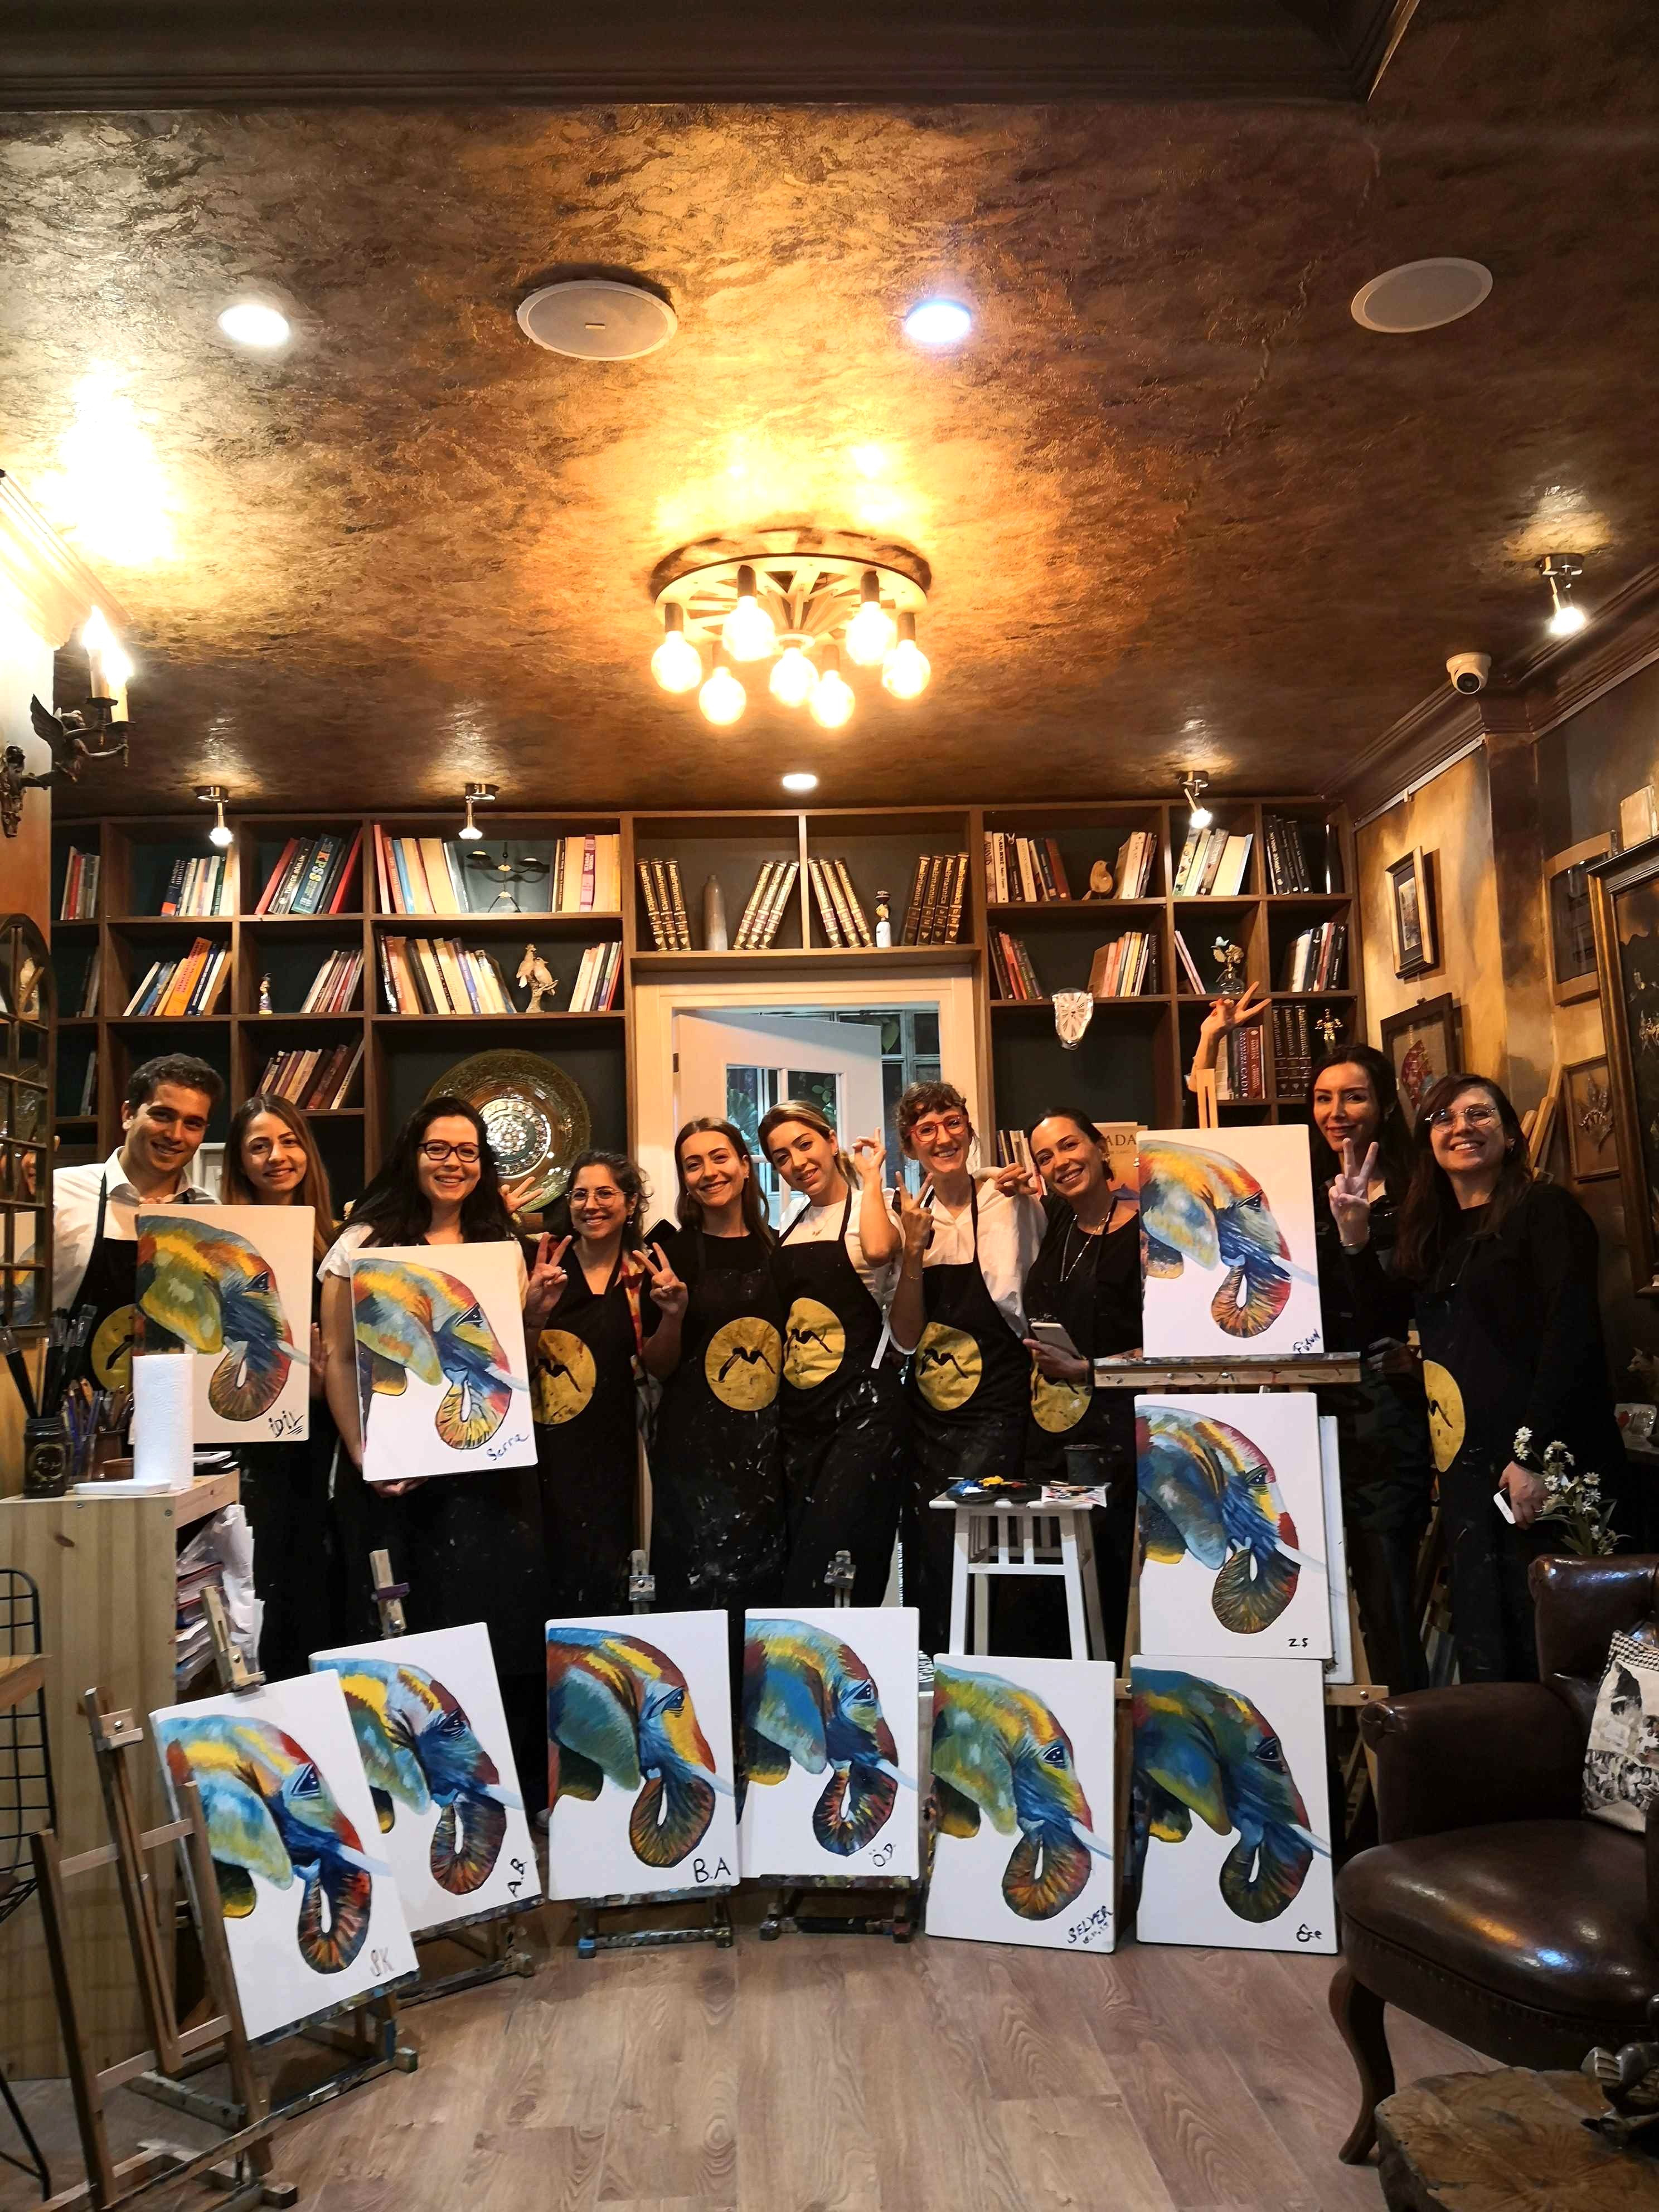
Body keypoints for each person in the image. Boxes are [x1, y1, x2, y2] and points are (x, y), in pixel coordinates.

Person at [1332, 1071, 1626, 1684]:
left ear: (1511, 1134)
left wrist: (1533, 1456)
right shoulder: (1436, 1231)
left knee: (1559, 1644)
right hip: (1469, 1474)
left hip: (1544, 1463)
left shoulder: (1547, 1212)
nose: (1461, 1128)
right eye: (1443, 1118)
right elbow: (1383, 1322)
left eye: (1479, 1114)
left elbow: (1570, 1337)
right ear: (1428, 1142)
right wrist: (1355, 1238)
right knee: (1492, 1641)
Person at [1189, 1008, 1436, 1692]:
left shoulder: (1419, 1190)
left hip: (1385, 1414)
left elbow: (1420, 1300)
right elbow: (1201, 1156)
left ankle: (1410, 1734)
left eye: (1354, 1096)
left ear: (1384, 1104)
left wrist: (1418, 1352)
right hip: (1303, 1407)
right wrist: (1209, 1043)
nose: (1337, 1112)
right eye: (1324, 1098)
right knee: (1301, 1594)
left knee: (1386, 1599)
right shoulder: (1295, 1185)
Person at [319, 1096, 547, 1791]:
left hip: (487, 1479)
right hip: (393, 1480)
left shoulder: (500, 1245)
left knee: (489, 1622)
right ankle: (406, 1793)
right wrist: (365, 1454)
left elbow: (503, 1366)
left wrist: (534, 1316)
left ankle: (493, 1790)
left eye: (468, 1151)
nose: (454, 1163)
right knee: (402, 1629)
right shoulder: (363, 1240)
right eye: (438, 1148)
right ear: (412, 1154)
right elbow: (338, 1357)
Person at [888, 1080, 1046, 1653]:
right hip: (930, 1413)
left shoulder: (1009, 1197)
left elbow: (1038, 1286)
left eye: (952, 1122)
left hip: (1001, 1400)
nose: (943, 1137)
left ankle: (999, 1666)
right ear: (910, 1145)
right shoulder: (904, 1219)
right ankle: (938, 1668)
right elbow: (905, 1338)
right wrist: (912, 1248)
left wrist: (1032, 1190)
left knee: (996, 1532)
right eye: (926, 1129)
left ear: (970, 1130)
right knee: (934, 1540)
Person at [759, 1099, 906, 1607]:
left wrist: (871, 1176)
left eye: (805, 1145)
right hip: (803, 1414)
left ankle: (850, 1656)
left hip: (864, 1411)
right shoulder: (791, 1222)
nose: (797, 1163)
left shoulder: (874, 1206)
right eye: (781, 1157)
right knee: (802, 1552)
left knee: (842, 1556)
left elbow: (881, 1252)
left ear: (830, 1140)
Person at [644, 1119, 787, 1645]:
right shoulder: (668, 1255)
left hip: (768, 1454)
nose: (709, 1172)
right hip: (692, 1456)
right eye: (693, 1164)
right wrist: (674, 1316)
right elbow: (657, 1366)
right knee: (693, 1602)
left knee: (761, 1604)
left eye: (720, 1157)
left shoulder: (781, 1249)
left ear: (746, 1166)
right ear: (685, 1181)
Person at [220, 1094, 342, 1679]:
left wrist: (321, 1386)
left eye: (289, 1141)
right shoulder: (219, 1242)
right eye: (259, 1146)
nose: (277, 1156)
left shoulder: (338, 1245)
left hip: (320, 1447)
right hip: (246, 1447)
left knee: (316, 1589)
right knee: (256, 1591)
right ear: (240, 1162)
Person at [1018, 1110, 1141, 1657]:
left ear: (1099, 1146)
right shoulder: (1052, 1224)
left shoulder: (1144, 1233)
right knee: (1053, 1584)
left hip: (1119, 1438)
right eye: (1045, 1156)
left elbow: (1167, 1346)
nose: (1060, 1162)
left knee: (1111, 1577)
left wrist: (1089, 1369)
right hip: (1051, 1435)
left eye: (1070, 1146)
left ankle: (1112, 1694)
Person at [523, 1149, 661, 1619]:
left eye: (605, 1193)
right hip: (543, 1452)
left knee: (608, 1585)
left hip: (616, 1458)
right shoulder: (540, 1264)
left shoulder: (643, 1277)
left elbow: (658, 1366)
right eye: (580, 1195)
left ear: (631, 1202)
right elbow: (506, 1359)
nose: (591, 1205)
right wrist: (532, 1312)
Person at [52, 1053, 221, 1395]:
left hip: (173, 1404)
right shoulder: (59, 1194)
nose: (175, 1135)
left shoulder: (210, 1213)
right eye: (163, 1115)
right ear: (128, 1114)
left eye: (193, 1123)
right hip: (70, 1408)